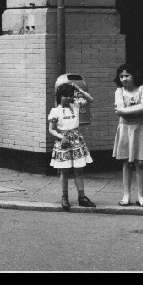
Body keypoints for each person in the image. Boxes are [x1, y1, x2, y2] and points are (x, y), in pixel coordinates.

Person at [112, 63, 143, 207]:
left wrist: (125, 111)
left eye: (127, 75)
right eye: (121, 76)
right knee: (126, 162)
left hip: (141, 128)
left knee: (141, 163)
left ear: (134, 76)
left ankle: (141, 196)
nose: (124, 79)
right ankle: (126, 195)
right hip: (125, 129)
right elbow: (121, 109)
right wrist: (138, 109)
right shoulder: (119, 92)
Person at [48, 81, 96, 210]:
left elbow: (90, 99)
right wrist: (61, 137)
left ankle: (82, 197)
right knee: (64, 171)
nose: (68, 98)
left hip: (76, 142)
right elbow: (51, 129)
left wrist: (77, 88)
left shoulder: (75, 106)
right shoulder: (55, 111)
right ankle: (65, 197)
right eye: (65, 95)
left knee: (78, 170)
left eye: (70, 95)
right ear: (59, 96)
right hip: (63, 143)